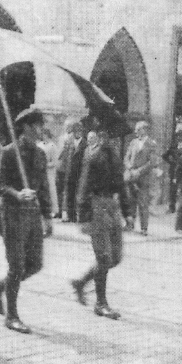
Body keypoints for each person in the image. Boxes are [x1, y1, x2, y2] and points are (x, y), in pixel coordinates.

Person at [0, 107, 53, 334]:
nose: (41, 129)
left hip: (32, 215)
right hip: (13, 214)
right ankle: (11, 316)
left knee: (35, 265)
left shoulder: (41, 154)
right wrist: (16, 193)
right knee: (16, 266)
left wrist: (47, 216)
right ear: (26, 127)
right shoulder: (8, 152)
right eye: (38, 125)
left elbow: (44, 187)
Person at [70, 124, 124, 319]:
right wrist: (83, 216)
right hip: (96, 206)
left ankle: (81, 282)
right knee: (104, 257)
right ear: (104, 138)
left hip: (111, 206)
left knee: (116, 257)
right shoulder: (94, 158)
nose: (115, 142)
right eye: (111, 138)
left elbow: (121, 184)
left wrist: (126, 210)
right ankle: (101, 303)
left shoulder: (115, 157)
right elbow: (82, 188)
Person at [124, 120, 159, 235]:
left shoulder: (151, 144)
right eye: (136, 129)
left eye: (139, 129)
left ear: (145, 130)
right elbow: (126, 157)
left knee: (143, 203)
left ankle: (144, 228)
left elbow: (152, 162)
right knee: (130, 201)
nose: (136, 131)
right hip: (131, 176)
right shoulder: (133, 142)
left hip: (143, 178)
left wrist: (139, 171)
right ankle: (130, 224)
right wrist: (129, 168)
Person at [162, 123, 182, 213]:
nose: (179, 138)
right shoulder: (174, 146)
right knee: (173, 190)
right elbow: (164, 156)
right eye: (178, 135)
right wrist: (171, 162)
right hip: (174, 171)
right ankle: (172, 207)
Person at [62, 120, 86, 222]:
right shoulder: (69, 142)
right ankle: (70, 215)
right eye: (75, 131)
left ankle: (80, 216)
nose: (77, 133)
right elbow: (65, 157)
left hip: (79, 172)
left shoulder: (85, 143)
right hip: (69, 172)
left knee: (79, 195)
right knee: (69, 194)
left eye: (79, 131)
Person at [55, 118, 79, 218]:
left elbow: (64, 154)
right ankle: (59, 210)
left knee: (67, 191)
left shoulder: (71, 138)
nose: (66, 127)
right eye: (66, 125)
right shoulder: (61, 137)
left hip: (66, 168)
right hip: (59, 167)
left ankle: (66, 212)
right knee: (59, 190)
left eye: (68, 126)